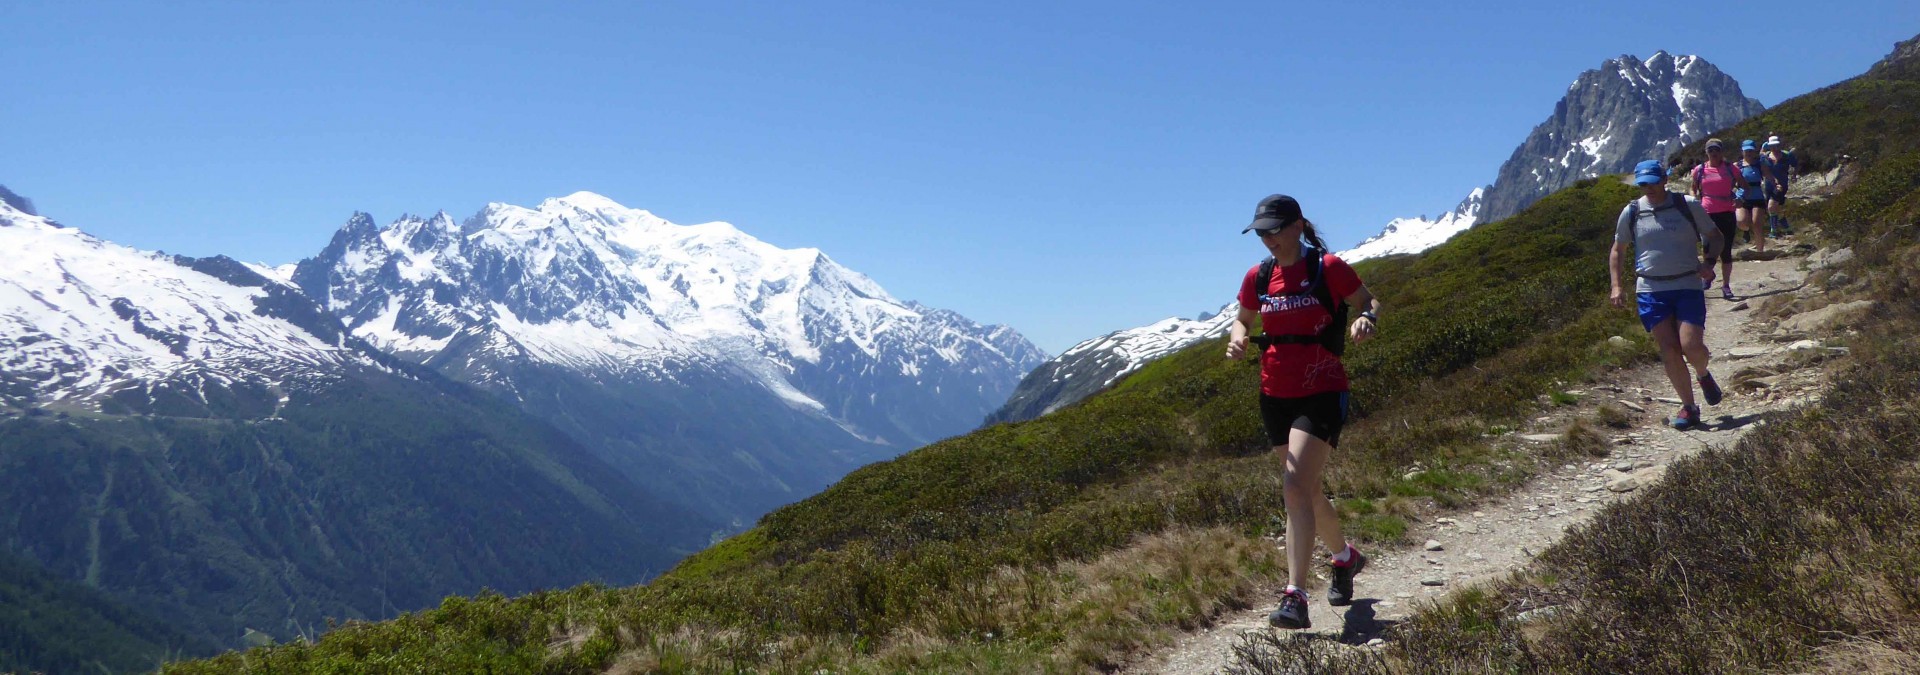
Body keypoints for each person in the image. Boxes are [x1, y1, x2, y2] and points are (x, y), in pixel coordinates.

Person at [1225, 194, 1381, 630]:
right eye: (1261, 232)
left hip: (1323, 389)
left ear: (1297, 226)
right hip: (1274, 393)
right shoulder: (1258, 277)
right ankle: (1345, 558)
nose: (1268, 239)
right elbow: (1243, 319)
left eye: (1274, 229)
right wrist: (1238, 338)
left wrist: (1366, 319)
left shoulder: (1327, 268)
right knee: (1306, 492)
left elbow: (1369, 300)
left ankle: (1295, 596)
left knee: (1294, 486)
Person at [1612, 160, 1726, 429]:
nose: (1649, 188)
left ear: (1665, 179)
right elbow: (1618, 250)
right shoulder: (1633, 211)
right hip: (1651, 289)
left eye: (1653, 181)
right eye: (1643, 183)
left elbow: (1715, 236)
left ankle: (1702, 373)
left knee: (1691, 345)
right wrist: (1616, 286)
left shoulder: (1687, 205)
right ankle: (1688, 406)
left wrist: (1708, 263)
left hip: (1687, 284)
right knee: (1669, 349)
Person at [1689, 138, 1749, 301]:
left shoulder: (1731, 169)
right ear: (1706, 152)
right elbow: (1693, 188)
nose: (1714, 153)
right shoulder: (1699, 170)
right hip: (1707, 213)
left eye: (1717, 150)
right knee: (1707, 248)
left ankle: (1726, 285)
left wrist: (1739, 197)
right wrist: (1695, 201)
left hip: (1727, 212)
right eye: (1711, 151)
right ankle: (1708, 275)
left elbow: (1744, 186)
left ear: (1721, 152)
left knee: (1726, 251)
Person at [1736, 139, 1771, 257]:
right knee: (1741, 222)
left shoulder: (1759, 164)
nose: (1748, 153)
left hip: (1757, 197)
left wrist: (1776, 183)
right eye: (1746, 151)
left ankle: (1760, 251)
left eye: (1751, 150)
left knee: (1757, 223)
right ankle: (1746, 231)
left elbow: (1768, 175)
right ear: (1742, 151)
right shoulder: (1737, 166)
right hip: (1742, 197)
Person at [1763, 136, 1799, 236]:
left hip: (1781, 185)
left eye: (1776, 145)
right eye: (1772, 146)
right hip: (1768, 185)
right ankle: (1787, 227)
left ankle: (1773, 231)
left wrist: (1794, 175)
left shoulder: (1787, 155)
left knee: (1771, 206)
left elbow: (1795, 165)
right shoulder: (1766, 156)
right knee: (1775, 208)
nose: (1774, 148)